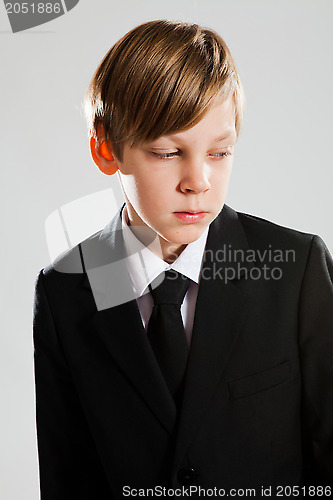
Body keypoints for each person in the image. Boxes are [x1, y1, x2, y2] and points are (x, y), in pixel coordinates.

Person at [33, 19, 333, 499]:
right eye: (168, 152)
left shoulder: (296, 271)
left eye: (220, 152)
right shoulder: (68, 288)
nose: (199, 181)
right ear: (107, 149)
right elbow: (67, 471)